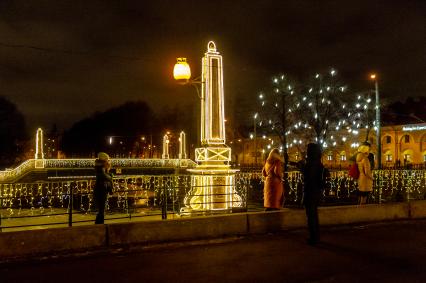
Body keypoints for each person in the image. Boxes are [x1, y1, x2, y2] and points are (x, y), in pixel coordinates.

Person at [291, 143, 328, 245]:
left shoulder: (311, 163)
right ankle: (316, 237)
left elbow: (308, 177)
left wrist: (302, 168)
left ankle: (314, 238)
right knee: (314, 215)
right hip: (317, 192)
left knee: (311, 216)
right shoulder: (318, 162)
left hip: (310, 191)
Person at [94, 152, 113, 224]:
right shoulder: (100, 168)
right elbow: (103, 176)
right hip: (100, 191)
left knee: (101, 210)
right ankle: (99, 226)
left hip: (102, 190)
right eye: (107, 160)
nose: (108, 161)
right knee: (101, 211)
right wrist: (110, 176)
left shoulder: (103, 167)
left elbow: (106, 177)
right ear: (104, 160)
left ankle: (99, 225)